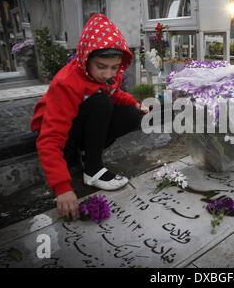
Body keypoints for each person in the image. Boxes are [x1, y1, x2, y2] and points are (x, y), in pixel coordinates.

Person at [31, 14, 149, 221]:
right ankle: (92, 170)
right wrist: (62, 187)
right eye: (101, 66)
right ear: (86, 58)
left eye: (114, 67)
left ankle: (88, 152)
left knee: (131, 115)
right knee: (101, 102)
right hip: (65, 135)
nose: (107, 74)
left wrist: (134, 103)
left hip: (84, 123)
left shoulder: (109, 73)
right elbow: (50, 138)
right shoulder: (66, 83)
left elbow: (114, 91)